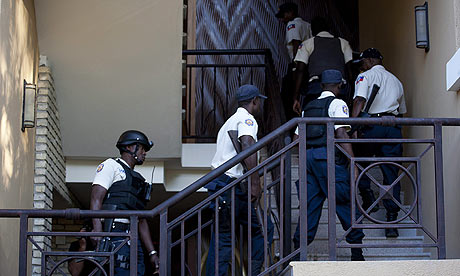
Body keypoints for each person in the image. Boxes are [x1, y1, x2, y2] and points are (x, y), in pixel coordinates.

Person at [293, 70, 365, 261]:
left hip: (308, 159)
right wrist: (353, 163)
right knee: (345, 200)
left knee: (309, 206)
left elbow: (296, 138)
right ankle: (357, 254)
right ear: (339, 86)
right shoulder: (338, 104)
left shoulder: (308, 106)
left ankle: (296, 255)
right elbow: (341, 134)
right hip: (327, 158)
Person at [205, 84, 274, 276]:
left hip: (228, 186)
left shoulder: (229, 122)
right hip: (229, 185)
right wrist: (255, 183)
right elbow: (247, 144)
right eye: (258, 101)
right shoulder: (246, 119)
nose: (259, 104)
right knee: (228, 238)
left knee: (255, 230)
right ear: (254, 101)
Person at [351, 48, 407, 238]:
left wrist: (352, 126)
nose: (362, 66)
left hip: (371, 126)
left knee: (359, 161)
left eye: (362, 62)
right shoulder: (396, 81)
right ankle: (392, 221)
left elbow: (359, 100)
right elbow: (402, 111)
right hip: (393, 127)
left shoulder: (364, 77)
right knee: (391, 170)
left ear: (368, 61)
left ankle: (368, 196)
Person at [90, 130, 159, 275]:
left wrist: (152, 252)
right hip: (114, 234)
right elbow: (96, 198)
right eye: (142, 148)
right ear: (129, 147)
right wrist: (97, 230)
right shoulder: (111, 165)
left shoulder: (138, 179)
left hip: (132, 237)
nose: (144, 153)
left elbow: (141, 218)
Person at [292, 16, 353, 115]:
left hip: (316, 88)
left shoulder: (307, 43)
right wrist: (351, 96)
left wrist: (296, 97)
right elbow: (350, 73)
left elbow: (300, 71)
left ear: (312, 30)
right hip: (339, 88)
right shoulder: (343, 43)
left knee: (312, 118)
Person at [276, 2, 312, 122]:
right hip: (309, 65)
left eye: (284, 15)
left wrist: (295, 67)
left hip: (298, 64)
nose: (282, 19)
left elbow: (296, 42)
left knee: (288, 96)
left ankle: (292, 125)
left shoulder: (292, 24)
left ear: (291, 12)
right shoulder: (307, 25)